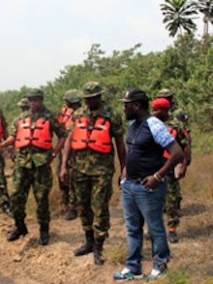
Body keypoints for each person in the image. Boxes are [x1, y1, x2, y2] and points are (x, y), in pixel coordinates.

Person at [113, 89, 183, 282]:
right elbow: (132, 151)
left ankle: (160, 265)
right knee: (133, 228)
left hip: (148, 187)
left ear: (136, 106)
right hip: (130, 186)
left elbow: (177, 153)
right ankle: (133, 268)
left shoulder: (154, 125)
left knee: (154, 228)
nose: (124, 108)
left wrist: (158, 176)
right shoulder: (134, 125)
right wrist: (125, 173)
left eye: (126, 105)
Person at [60, 81, 126, 265]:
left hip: (102, 171)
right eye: (86, 99)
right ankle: (88, 241)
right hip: (79, 169)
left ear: (99, 97)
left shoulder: (112, 115)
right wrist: (63, 166)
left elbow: (120, 144)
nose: (89, 102)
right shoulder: (78, 115)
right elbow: (68, 140)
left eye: (92, 98)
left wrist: (124, 169)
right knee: (83, 206)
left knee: (100, 207)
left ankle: (99, 245)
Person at [0, 89, 67, 245]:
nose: (34, 103)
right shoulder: (21, 118)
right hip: (22, 163)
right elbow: (13, 137)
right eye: (31, 100)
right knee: (16, 196)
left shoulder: (51, 117)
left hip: (42, 164)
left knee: (41, 199)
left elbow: (63, 135)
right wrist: (2, 145)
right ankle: (20, 227)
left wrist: (54, 153)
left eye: (37, 100)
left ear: (42, 100)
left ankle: (44, 230)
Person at [151, 98, 190, 244]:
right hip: (153, 167)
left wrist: (184, 165)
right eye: (154, 109)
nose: (155, 113)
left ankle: (172, 229)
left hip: (171, 165)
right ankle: (152, 229)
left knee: (172, 198)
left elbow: (184, 146)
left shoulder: (176, 125)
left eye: (158, 110)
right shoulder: (149, 124)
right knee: (152, 199)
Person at [57, 89, 82, 221]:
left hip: (76, 151)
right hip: (64, 150)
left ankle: (73, 207)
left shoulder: (81, 114)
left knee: (73, 178)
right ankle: (64, 203)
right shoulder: (64, 113)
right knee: (61, 176)